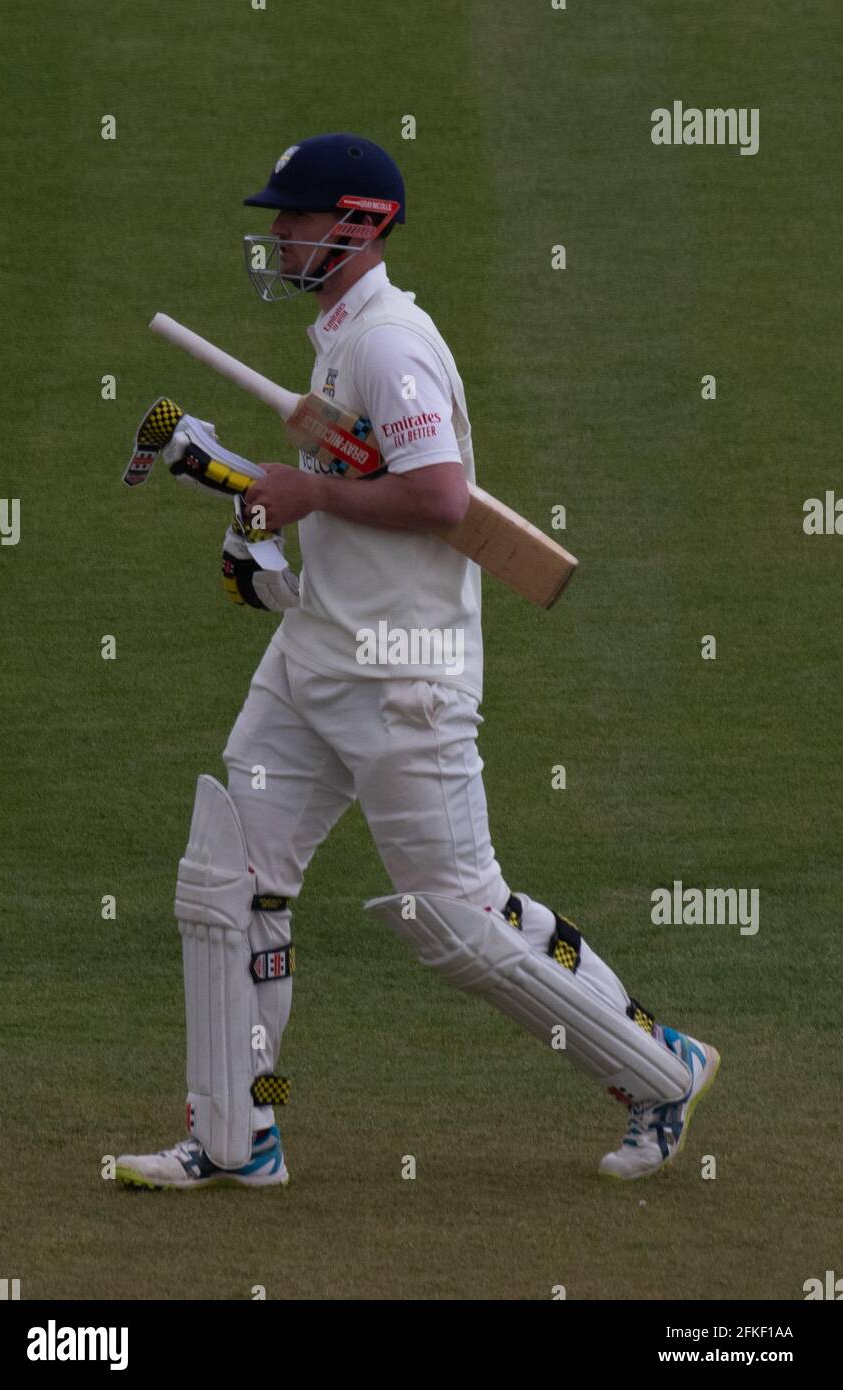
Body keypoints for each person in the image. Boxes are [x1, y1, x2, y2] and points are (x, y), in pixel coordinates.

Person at [116, 134, 719, 1191]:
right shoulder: (338, 336)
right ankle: (234, 1137)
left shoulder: (391, 345)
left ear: (355, 226)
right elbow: (351, 487)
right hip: (313, 653)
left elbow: (439, 498)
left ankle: (655, 1066)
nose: (276, 235)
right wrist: (266, 512)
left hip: (403, 676)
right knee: (230, 883)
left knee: (457, 922)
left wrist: (306, 496)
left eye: (294, 219)